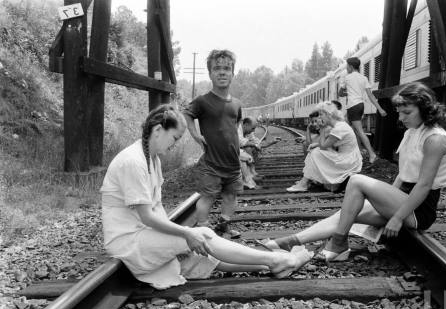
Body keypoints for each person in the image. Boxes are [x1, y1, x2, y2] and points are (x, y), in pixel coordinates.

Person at [100, 105, 313, 290]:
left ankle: (275, 264)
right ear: (158, 130)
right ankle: (277, 258)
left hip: (143, 237)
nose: (174, 145)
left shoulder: (151, 159)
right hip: (128, 242)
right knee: (203, 234)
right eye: (174, 138)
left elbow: (156, 211)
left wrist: (183, 237)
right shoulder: (133, 161)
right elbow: (147, 216)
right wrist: (186, 233)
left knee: (204, 254)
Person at [262, 82, 446, 262]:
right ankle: (291, 241)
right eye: (399, 112)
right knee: (347, 212)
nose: (401, 117)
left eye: (407, 112)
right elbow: (403, 174)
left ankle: (338, 244)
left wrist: (396, 217)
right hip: (402, 200)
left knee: (356, 180)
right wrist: (383, 201)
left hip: (418, 209)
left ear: (425, 109)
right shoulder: (413, 131)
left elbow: (424, 185)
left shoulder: (435, 140)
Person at [183, 49, 242, 239]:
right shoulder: (203, 101)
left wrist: (239, 142)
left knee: (230, 197)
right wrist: (195, 135)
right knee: (207, 196)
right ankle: (203, 228)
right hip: (212, 164)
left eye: (227, 68)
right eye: (217, 68)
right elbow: (187, 114)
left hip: (233, 164)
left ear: (233, 73)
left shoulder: (237, 104)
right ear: (210, 73)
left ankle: (224, 226)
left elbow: (237, 124)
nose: (222, 72)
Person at [287, 101, 362, 193]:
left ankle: (304, 183)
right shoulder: (339, 125)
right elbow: (325, 144)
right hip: (347, 157)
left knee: (316, 153)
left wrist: (322, 129)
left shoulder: (339, 128)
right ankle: (305, 182)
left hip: (349, 161)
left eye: (321, 114)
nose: (319, 117)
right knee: (315, 151)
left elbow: (323, 146)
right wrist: (317, 144)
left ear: (328, 114)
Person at [342, 57, 387, 164]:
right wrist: (380, 109)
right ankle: (358, 153)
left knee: (358, 131)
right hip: (360, 105)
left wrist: (344, 91)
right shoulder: (364, 78)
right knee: (354, 130)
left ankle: (371, 154)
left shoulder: (347, 78)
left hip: (352, 106)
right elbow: (370, 96)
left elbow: (340, 93)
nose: (346, 68)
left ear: (351, 67)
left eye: (347, 66)